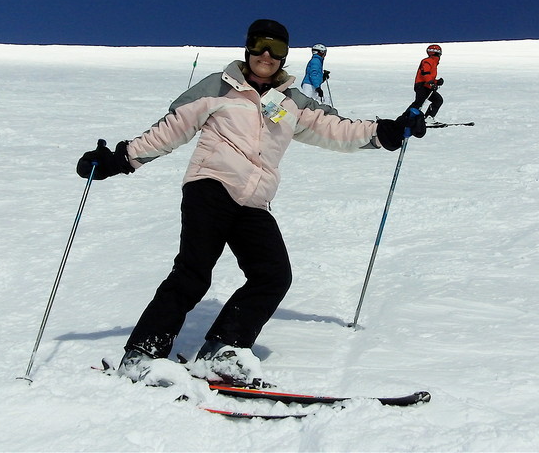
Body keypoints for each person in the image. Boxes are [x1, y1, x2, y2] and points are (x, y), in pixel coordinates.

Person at [75, 19, 426, 387]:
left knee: (273, 275)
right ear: (247, 47)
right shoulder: (219, 87)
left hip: (255, 201)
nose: (267, 55)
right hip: (210, 185)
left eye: (276, 48)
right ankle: (142, 353)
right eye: (260, 44)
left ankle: (222, 350)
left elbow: (335, 128)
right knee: (193, 273)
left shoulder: (291, 101)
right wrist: (120, 159)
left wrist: (386, 131)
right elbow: (171, 129)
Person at [409, 44, 444, 122]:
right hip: (422, 86)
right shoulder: (427, 61)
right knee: (419, 103)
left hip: (427, 86)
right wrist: (431, 82)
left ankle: (427, 118)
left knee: (437, 100)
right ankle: (406, 119)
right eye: (439, 53)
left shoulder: (433, 63)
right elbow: (425, 73)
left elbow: (429, 76)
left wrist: (436, 82)